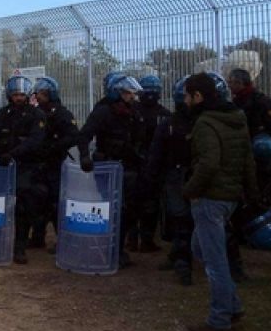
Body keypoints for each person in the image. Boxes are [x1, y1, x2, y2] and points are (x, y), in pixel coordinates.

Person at [181, 72, 259, 331]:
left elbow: (209, 163)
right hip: (229, 198)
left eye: (187, 95)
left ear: (198, 96)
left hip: (210, 199)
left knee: (214, 261)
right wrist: (251, 193)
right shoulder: (237, 119)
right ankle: (233, 304)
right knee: (201, 249)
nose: (185, 100)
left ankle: (220, 318)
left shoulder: (204, 123)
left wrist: (190, 191)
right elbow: (248, 159)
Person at [77, 74, 146, 269]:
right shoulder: (103, 112)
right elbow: (84, 136)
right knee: (112, 209)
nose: (132, 96)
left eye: (133, 93)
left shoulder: (134, 112)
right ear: (116, 93)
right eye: (127, 92)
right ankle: (109, 249)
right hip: (108, 167)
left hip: (130, 166)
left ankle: (119, 247)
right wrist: (84, 156)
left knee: (130, 210)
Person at [0, 76, 46, 264]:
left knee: (23, 208)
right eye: (15, 94)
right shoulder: (3, 114)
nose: (18, 98)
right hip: (3, 166)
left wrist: (13, 153)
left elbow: (35, 141)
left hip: (26, 167)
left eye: (21, 94)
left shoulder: (36, 115)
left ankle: (19, 247)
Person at [146, 76, 196, 285]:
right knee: (182, 219)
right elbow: (157, 153)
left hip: (180, 175)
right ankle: (180, 258)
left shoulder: (170, 122)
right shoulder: (172, 123)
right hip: (183, 175)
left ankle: (182, 260)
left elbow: (156, 154)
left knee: (180, 218)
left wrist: (152, 176)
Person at [30, 77, 78, 250]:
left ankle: (63, 241)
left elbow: (73, 136)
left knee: (55, 203)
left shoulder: (61, 113)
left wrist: (54, 147)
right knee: (37, 201)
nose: (39, 97)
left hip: (55, 164)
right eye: (38, 93)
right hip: (38, 164)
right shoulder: (35, 113)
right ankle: (37, 237)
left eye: (43, 93)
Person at [127, 75, 171, 253]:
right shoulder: (132, 111)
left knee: (147, 204)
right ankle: (136, 239)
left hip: (150, 165)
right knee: (137, 203)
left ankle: (143, 239)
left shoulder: (164, 115)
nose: (151, 93)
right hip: (139, 163)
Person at [228, 68, 271, 205]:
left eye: (231, 82)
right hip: (242, 156)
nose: (229, 85)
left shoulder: (261, 102)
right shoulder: (236, 103)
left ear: (239, 82)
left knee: (261, 191)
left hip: (259, 158)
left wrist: (270, 149)